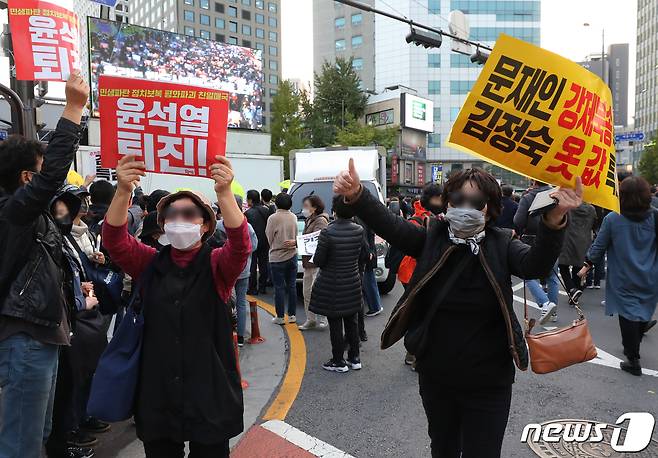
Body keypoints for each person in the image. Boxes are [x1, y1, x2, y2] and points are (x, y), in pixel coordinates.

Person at [334, 160, 580, 458]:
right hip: (437, 377)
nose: (465, 206)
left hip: (490, 382)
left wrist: (553, 222)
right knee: (443, 448)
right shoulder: (430, 236)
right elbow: (391, 225)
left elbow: (536, 265)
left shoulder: (502, 243)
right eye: (457, 199)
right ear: (446, 203)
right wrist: (358, 194)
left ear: (490, 207)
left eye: (475, 201)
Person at [102, 154, 251, 457]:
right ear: (162, 224)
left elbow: (240, 245)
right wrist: (122, 191)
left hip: (209, 393)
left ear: (206, 224)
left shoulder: (216, 264)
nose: (179, 219)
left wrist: (224, 193)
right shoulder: (148, 263)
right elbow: (115, 240)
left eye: (189, 213)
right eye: (172, 214)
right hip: (158, 393)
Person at [0, 72, 89, 458]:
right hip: (27, 338)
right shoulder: (14, 211)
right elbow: (53, 172)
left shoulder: (30, 218)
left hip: (43, 336)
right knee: (22, 441)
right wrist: (72, 108)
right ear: (26, 178)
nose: (51, 183)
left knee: (37, 433)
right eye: (40, 174)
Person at [578, 176, 658, 377]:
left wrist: (587, 264)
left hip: (623, 277)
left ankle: (633, 358)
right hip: (651, 275)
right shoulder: (655, 216)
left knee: (627, 313)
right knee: (642, 309)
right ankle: (637, 336)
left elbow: (599, 246)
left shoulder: (613, 218)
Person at [309, 195, 369, 373]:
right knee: (352, 320)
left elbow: (319, 260)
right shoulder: (359, 230)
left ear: (334, 211)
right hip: (352, 280)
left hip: (332, 283)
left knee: (335, 322)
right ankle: (355, 358)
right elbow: (362, 255)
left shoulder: (327, 232)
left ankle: (338, 361)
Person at [396, 183, 444, 368]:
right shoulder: (424, 219)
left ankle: (414, 352)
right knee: (420, 314)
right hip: (415, 273)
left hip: (413, 273)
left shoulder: (429, 216)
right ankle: (414, 353)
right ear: (434, 198)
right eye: (441, 196)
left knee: (420, 312)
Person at [514, 179, 560, 324]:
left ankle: (545, 303)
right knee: (552, 276)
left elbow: (518, 221)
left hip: (531, 238)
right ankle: (553, 313)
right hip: (554, 236)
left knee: (528, 274)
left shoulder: (528, 197)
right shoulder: (556, 194)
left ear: (534, 181)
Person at [216, 195, 258, 346]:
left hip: (224, 269)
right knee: (241, 302)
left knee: (223, 300)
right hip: (243, 269)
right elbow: (254, 246)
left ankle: (224, 333)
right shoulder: (248, 227)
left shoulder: (218, 225)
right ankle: (240, 337)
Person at [265, 193, 298, 324]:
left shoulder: (273, 218)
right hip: (292, 255)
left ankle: (280, 317)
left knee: (279, 287)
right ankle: (292, 315)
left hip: (277, 257)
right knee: (292, 286)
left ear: (277, 203)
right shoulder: (293, 216)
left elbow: (269, 236)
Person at [298, 195, 330, 331]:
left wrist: (297, 242)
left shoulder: (321, 221)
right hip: (307, 263)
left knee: (317, 291)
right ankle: (310, 319)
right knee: (307, 292)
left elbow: (315, 240)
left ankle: (323, 318)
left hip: (316, 262)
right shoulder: (309, 220)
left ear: (315, 207)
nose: (304, 209)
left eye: (306, 206)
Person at [558, 202, 597, 304]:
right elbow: (594, 225)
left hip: (568, 239)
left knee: (563, 266)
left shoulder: (568, 206)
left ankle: (572, 289)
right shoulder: (591, 209)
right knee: (578, 267)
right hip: (584, 241)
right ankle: (575, 293)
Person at [245, 189, 271, 295]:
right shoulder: (266, 210)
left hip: (252, 242)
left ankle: (252, 288)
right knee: (263, 264)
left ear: (250, 200)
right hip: (265, 241)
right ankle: (262, 287)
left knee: (252, 264)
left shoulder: (247, 213)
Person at [359, 218, 384, 317]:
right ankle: (375, 306)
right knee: (369, 280)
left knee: (368, 280)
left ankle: (375, 307)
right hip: (369, 252)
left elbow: (363, 236)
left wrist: (368, 251)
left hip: (366, 254)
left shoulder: (358, 218)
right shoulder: (364, 215)